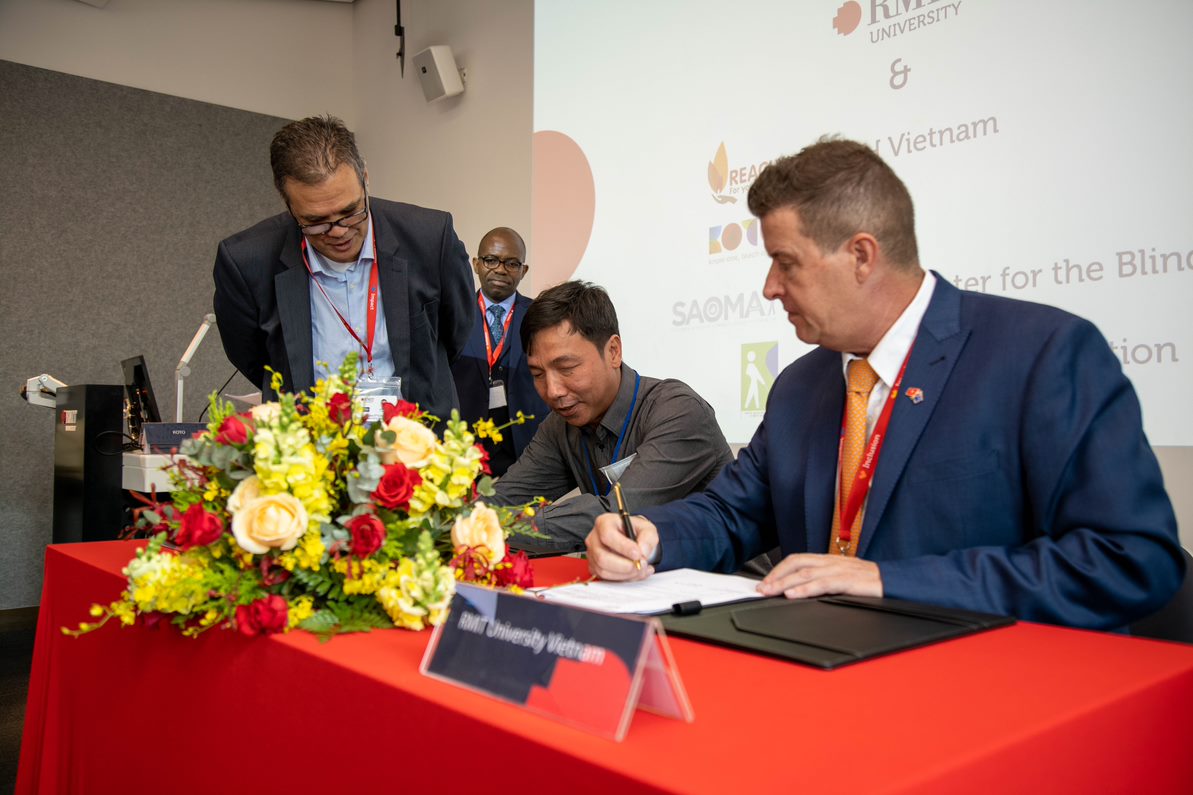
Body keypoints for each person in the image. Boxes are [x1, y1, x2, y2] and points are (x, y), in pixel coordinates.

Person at [587, 137, 1183, 630]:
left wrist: (888, 581)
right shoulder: (799, 387)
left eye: (786, 263)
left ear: (862, 256)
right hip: (824, 679)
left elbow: (1127, 559)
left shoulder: (1042, 356)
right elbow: (730, 512)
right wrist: (649, 537)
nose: (770, 288)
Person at [212, 114, 474, 420]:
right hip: (311, 452)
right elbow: (255, 359)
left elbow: (456, 333)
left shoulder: (430, 238)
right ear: (288, 205)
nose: (338, 231)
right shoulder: (247, 262)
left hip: (418, 442)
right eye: (315, 221)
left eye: (350, 212)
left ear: (365, 178)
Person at [491, 280, 734, 553]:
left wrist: (485, 532)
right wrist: (454, 523)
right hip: (635, 584)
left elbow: (618, 516)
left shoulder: (679, 411)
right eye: (537, 374)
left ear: (613, 351)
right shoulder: (560, 426)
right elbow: (502, 499)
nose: (553, 391)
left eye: (567, 368)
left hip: (731, 586)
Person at [450, 227, 549, 476]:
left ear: (523, 270)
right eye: (491, 260)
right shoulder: (452, 313)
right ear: (476, 264)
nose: (501, 269)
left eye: (512, 263)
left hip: (524, 448)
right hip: (464, 449)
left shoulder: (541, 316)